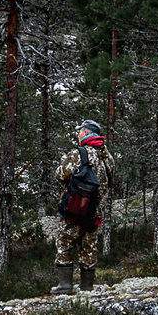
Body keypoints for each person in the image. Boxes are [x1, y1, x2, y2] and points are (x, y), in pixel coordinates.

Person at [49, 120, 113, 295]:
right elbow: (110, 179)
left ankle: (64, 286)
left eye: (79, 132)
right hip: (95, 213)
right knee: (89, 247)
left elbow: (60, 174)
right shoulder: (107, 157)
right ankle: (87, 286)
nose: (78, 135)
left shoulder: (78, 154)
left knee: (64, 244)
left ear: (85, 133)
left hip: (74, 209)